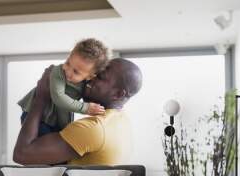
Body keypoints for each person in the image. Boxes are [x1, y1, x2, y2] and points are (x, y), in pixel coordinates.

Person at [13, 58, 143, 165]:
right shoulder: (122, 122)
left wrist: (40, 98)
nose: (90, 77)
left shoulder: (93, 129)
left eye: (100, 77)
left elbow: (21, 155)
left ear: (118, 94)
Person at [18, 38, 109, 136]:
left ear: (90, 76)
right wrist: (85, 108)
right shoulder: (58, 72)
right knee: (42, 143)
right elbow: (58, 97)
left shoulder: (86, 84)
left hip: (56, 120)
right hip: (38, 116)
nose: (68, 71)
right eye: (68, 63)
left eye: (76, 72)